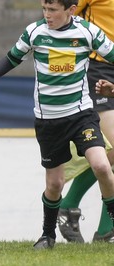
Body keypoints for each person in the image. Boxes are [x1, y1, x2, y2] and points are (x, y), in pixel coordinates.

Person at [0, 0, 114, 249]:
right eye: (44, 9)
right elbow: (12, 57)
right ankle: (47, 235)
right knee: (54, 184)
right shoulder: (35, 32)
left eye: (53, 10)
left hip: (81, 115)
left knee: (101, 164)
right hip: (48, 120)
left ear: (71, 9)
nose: (47, 15)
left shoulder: (88, 32)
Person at [57, 0, 114, 243]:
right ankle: (104, 228)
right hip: (99, 69)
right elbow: (60, 16)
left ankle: (99, 228)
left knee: (109, 155)